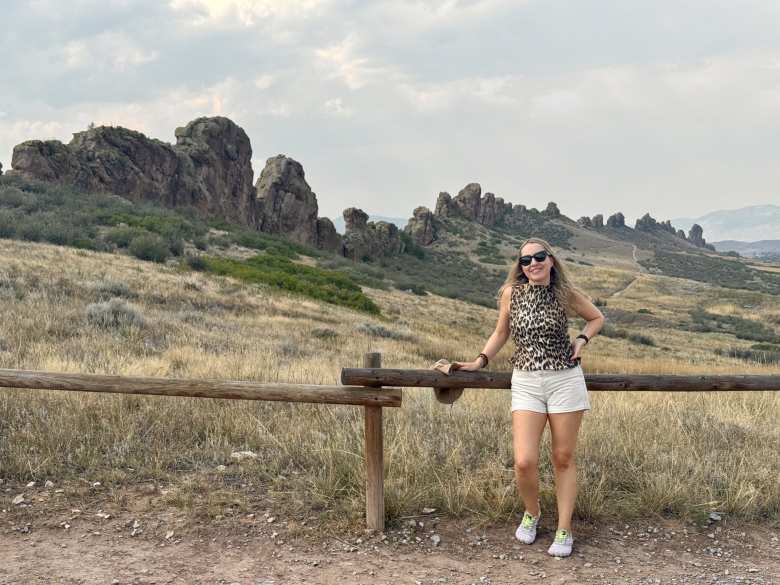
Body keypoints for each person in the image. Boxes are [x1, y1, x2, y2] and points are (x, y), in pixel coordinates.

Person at [452, 236, 605, 557]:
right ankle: (532, 513)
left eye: (538, 257)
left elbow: (596, 317)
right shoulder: (512, 293)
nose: (532, 263)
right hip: (526, 381)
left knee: (563, 458)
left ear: (551, 260)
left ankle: (564, 529)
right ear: (520, 267)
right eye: (525, 260)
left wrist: (581, 340)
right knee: (524, 461)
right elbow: (501, 332)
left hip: (564, 379)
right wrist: (480, 361)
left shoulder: (565, 293)